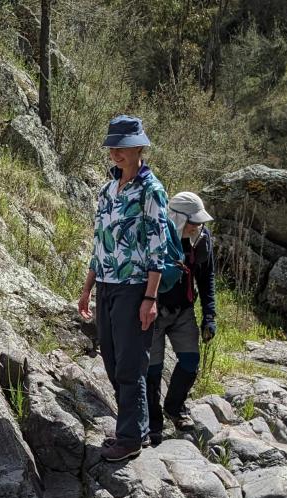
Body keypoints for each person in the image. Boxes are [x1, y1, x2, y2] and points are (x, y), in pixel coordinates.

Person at [77, 115, 172, 462]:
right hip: (106, 285)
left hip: (135, 288)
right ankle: (139, 428)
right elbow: (99, 245)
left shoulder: (152, 191)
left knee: (130, 365)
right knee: (112, 360)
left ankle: (129, 437)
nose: (115, 151)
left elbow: (158, 248)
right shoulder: (107, 190)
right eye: (112, 146)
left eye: (122, 146)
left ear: (139, 148)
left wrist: (150, 297)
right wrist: (87, 289)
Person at [147, 191, 217, 445]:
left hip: (183, 310)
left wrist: (209, 315)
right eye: (192, 222)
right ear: (176, 217)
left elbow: (206, 277)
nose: (197, 227)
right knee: (152, 368)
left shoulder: (202, 240)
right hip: (154, 311)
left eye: (199, 223)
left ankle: (174, 408)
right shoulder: (156, 237)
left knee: (190, 360)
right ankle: (152, 422)